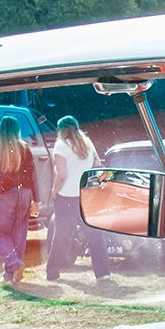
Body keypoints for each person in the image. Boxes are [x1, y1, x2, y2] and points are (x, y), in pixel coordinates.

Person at [46, 116, 109, 282]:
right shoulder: (87, 143)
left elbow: (62, 175)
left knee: (61, 236)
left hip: (66, 196)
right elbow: (97, 165)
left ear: (61, 130)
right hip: (86, 194)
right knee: (95, 234)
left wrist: (54, 191)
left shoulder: (61, 145)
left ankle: (53, 273)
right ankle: (103, 273)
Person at [0, 116, 39, 284]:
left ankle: (14, 264)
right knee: (19, 233)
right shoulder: (25, 148)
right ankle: (10, 274)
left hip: (4, 194)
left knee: (0, 234)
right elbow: (32, 175)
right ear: (17, 131)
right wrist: (36, 200)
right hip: (24, 194)